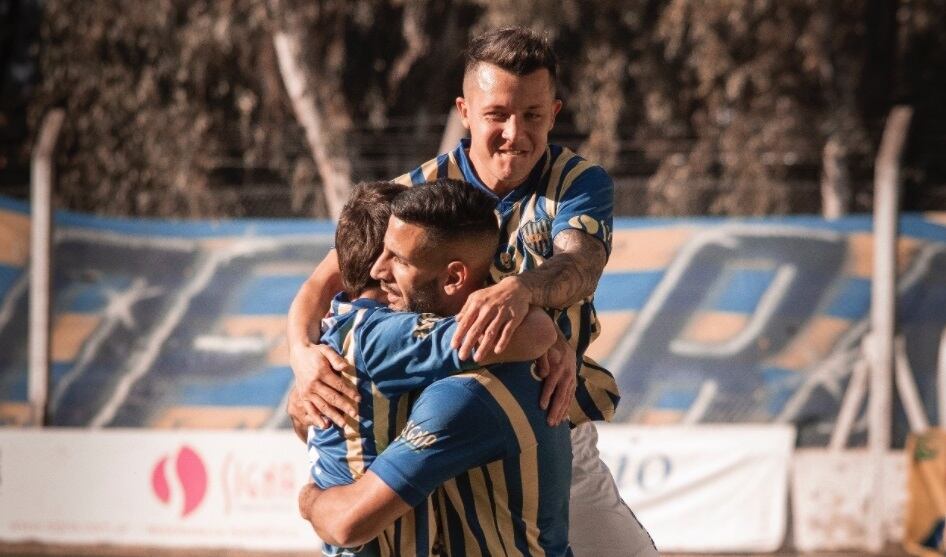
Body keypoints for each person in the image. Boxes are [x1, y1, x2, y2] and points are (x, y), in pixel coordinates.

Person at [289, 27, 656, 557]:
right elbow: (325, 281)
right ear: (464, 110)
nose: (515, 133)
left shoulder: (579, 183)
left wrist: (522, 292)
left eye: (532, 115)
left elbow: (582, 261)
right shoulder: (417, 194)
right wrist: (301, 355)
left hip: (549, 422)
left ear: (555, 113)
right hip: (442, 418)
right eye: (497, 114)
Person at [299, 179, 573, 556]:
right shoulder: (450, 361)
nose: (380, 269)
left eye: (398, 258)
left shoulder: (463, 395)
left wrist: (310, 501)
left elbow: (348, 523)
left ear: (454, 277)